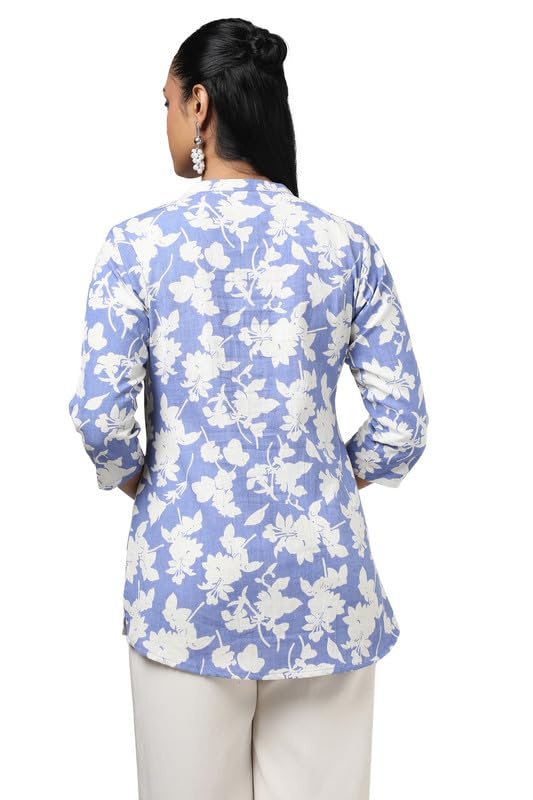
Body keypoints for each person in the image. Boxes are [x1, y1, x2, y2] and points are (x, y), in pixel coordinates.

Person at [67, 16, 429, 800]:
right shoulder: (345, 246)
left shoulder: (137, 246)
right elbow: (401, 426)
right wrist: (326, 482)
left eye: (167, 103)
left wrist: (142, 481)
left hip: (186, 586)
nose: (167, 121)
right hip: (325, 584)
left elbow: (100, 416)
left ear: (199, 105)